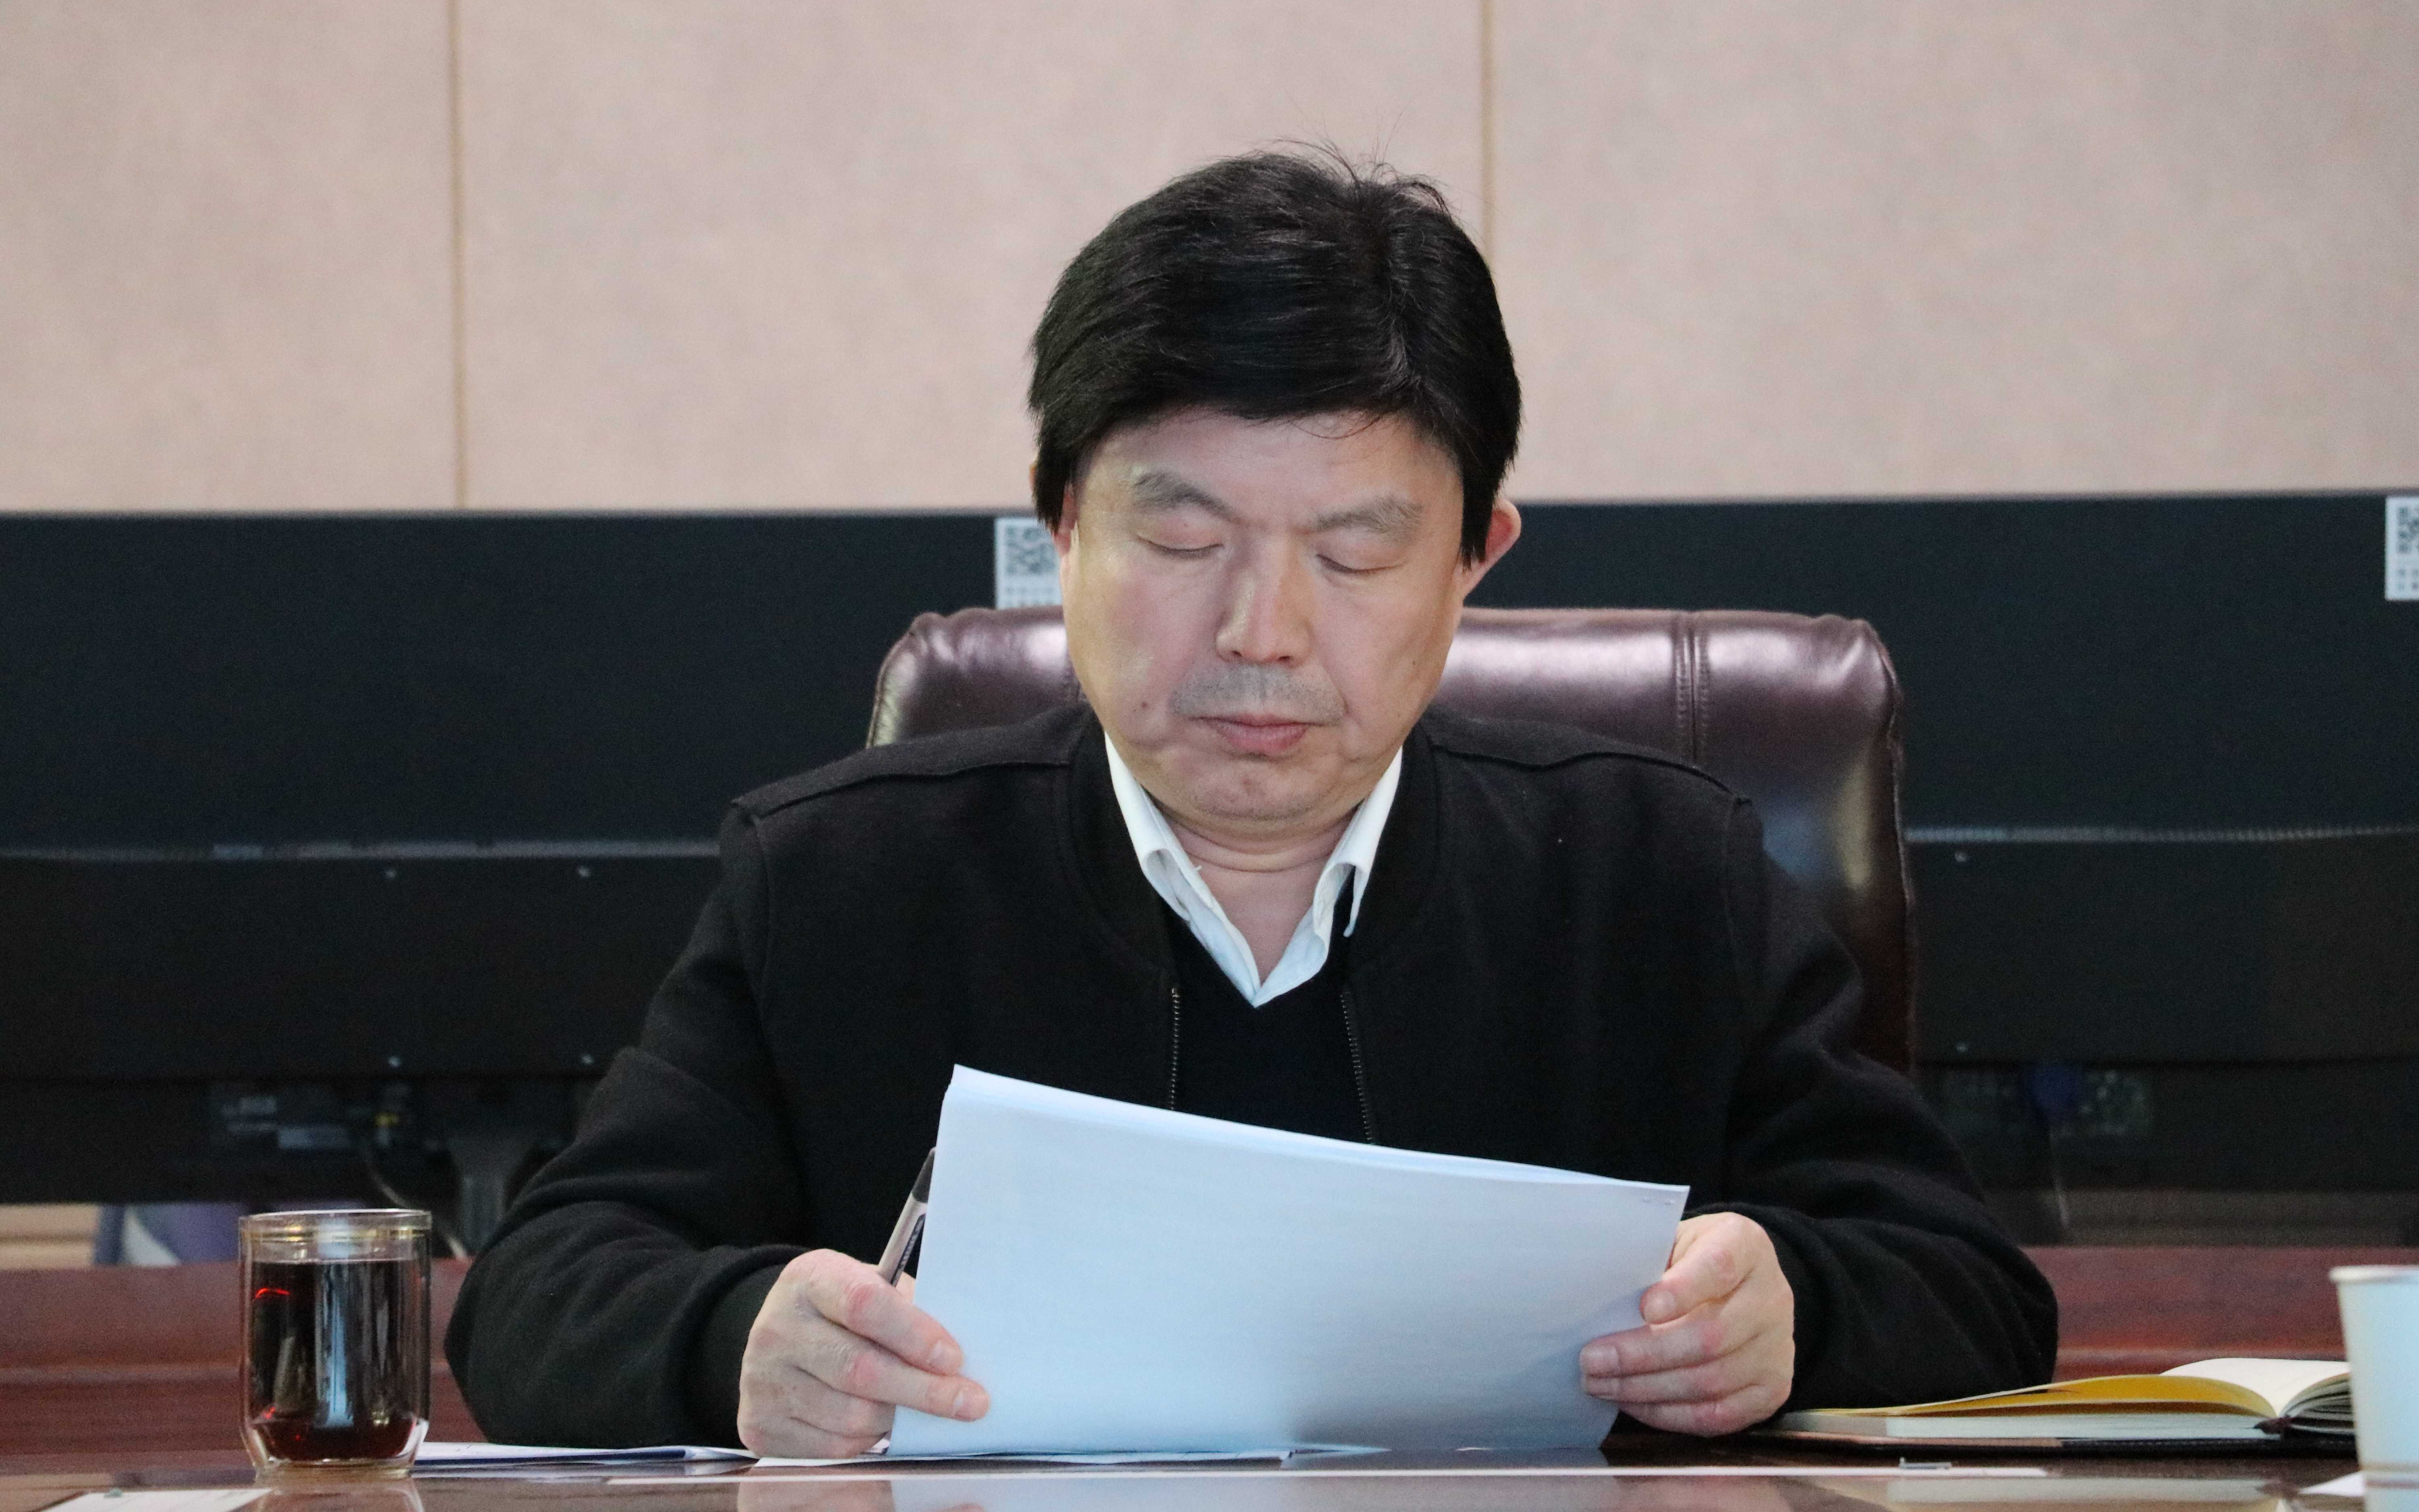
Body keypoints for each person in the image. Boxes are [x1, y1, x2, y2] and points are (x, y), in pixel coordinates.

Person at [448, 151, 2056, 1454]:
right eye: (1183, 540)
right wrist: (738, 1337)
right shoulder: (842, 881)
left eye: (1355, 552)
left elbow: (1971, 1289)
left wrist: (1793, 1309)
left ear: (1473, 560)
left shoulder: (1657, 875)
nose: (1263, 632)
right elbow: (535, 1298)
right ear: (1065, 530)